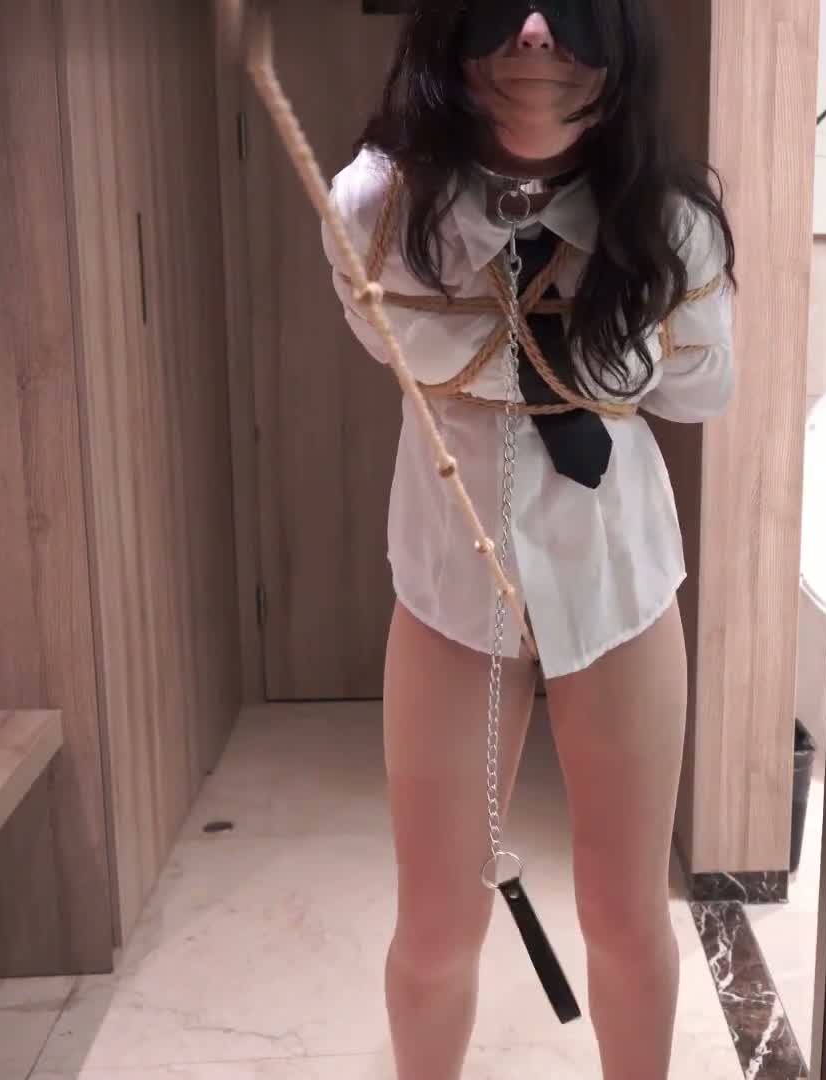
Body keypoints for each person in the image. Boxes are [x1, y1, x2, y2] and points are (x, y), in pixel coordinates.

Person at [320, 2, 736, 1077]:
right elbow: (384, 338)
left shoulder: (673, 226)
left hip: (616, 580)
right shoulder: (375, 209)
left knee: (626, 915)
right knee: (434, 929)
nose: (539, 31)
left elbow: (701, 391)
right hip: (451, 587)